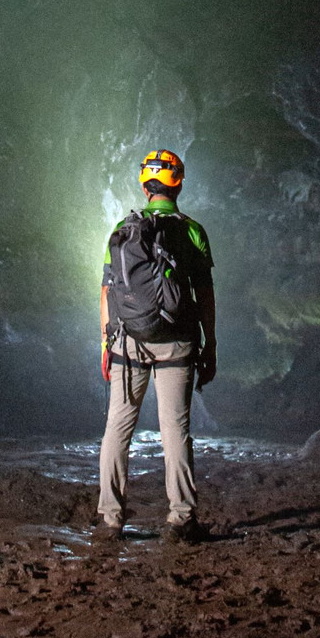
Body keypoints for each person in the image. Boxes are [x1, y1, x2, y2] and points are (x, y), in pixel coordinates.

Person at [96, 148, 216, 544]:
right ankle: (181, 519)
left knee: (117, 427)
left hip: (128, 344)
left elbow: (107, 290)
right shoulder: (194, 231)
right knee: (175, 431)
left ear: (144, 185)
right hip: (178, 343)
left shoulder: (122, 229)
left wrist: (106, 342)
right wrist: (209, 343)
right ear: (177, 182)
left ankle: (110, 519)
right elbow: (204, 295)